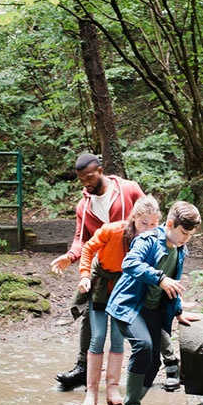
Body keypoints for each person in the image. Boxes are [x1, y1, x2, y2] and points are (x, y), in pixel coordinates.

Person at [51, 153, 145, 390]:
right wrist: (70, 256)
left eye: (90, 178)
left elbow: (149, 218)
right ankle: (83, 368)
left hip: (132, 267)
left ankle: (160, 364)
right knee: (89, 315)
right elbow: (81, 239)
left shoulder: (129, 190)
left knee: (145, 312)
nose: (86, 184)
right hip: (101, 269)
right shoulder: (84, 205)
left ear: (100, 171)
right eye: (82, 180)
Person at [106, 201, 202, 405]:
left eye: (190, 235)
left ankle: (134, 404)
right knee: (144, 346)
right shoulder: (147, 240)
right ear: (170, 224)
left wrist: (178, 311)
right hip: (129, 306)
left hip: (154, 310)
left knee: (153, 361)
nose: (186, 239)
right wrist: (158, 277)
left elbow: (173, 281)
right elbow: (129, 263)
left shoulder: (180, 248)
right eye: (184, 233)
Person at [76, 195, 162, 405]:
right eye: (144, 223)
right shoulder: (112, 230)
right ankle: (92, 392)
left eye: (153, 224)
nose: (148, 228)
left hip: (125, 293)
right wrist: (85, 275)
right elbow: (88, 248)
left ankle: (113, 389)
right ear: (133, 218)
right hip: (101, 286)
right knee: (97, 337)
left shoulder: (155, 241)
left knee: (117, 339)